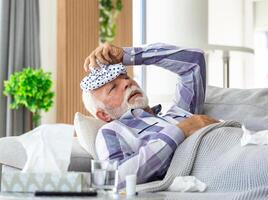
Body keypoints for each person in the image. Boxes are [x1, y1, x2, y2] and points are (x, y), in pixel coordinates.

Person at [81, 43, 219, 188]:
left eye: (125, 76)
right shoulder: (112, 131)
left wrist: (128, 55)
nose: (127, 83)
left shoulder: (179, 111)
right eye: (113, 88)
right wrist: (180, 130)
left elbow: (194, 60)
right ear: (103, 114)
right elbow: (112, 180)